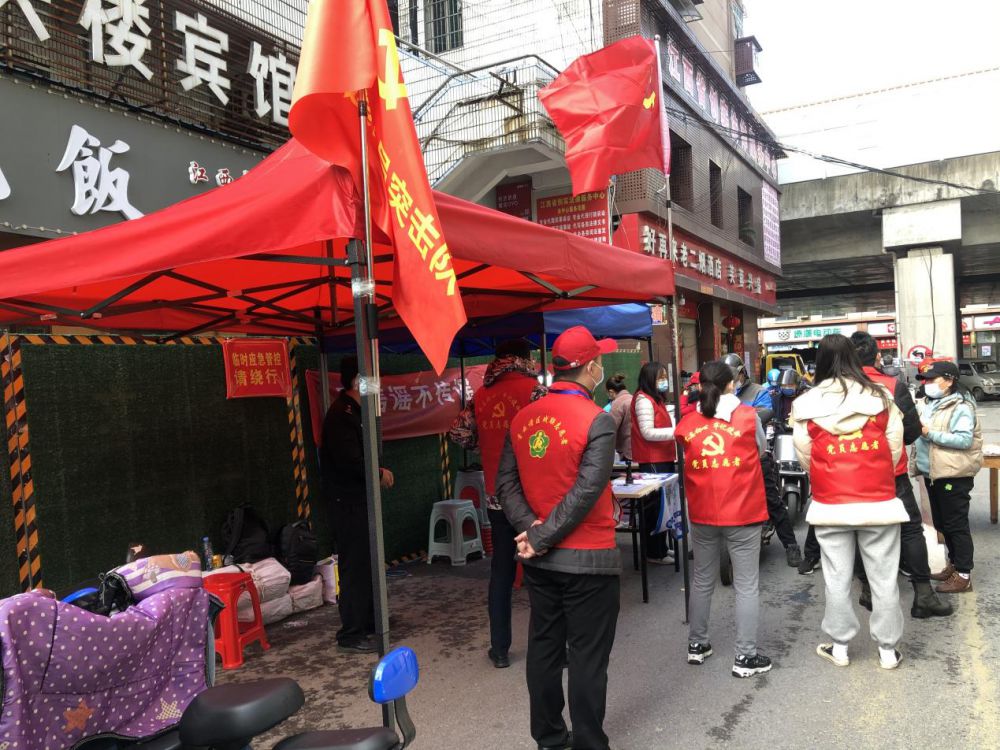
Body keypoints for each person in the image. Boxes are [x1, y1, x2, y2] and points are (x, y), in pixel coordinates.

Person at [496, 325, 620, 750]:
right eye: (598, 361)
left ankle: (549, 737)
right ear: (590, 367)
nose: (601, 367)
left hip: (540, 560)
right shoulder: (598, 420)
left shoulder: (522, 418)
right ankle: (589, 742)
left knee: (545, 647)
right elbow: (587, 490)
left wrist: (533, 533)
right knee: (587, 656)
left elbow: (505, 484)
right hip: (589, 559)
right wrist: (542, 535)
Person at [791, 334, 907, 670]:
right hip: (878, 502)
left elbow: (805, 456)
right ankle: (888, 651)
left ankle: (840, 647)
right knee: (883, 579)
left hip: (831, 504)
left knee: (836, 578)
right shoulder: (881, 397)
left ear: (821, 362)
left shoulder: (806, 403)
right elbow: (895, 449)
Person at [449, 339, 544, 669]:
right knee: (541, 574)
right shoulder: (535, 391)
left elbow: (458, 434)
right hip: (532, 499)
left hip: (497, 497)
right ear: (525, 358)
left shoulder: (482, 395)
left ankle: (500, 649)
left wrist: (484, 443)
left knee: (501, 573)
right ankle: (550, 650)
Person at [846, 332, 952, 617]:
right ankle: (923, 595)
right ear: (877, 356)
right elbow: (911, 432)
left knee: (858, 531)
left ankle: (868, 589)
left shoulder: (836, 388)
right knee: (910, 530)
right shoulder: (892, 385)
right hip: (890, 474)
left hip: (849, 476)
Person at [678, 360, 773, 678]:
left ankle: (697, 644)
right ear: (732, 384)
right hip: (743, 510)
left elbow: (684, 447)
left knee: (702, 580)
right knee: (746, 585)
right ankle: (745, 656)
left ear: (700, 385)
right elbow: (761, 450)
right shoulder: (747, 416)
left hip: (703, 511)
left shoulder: (688, 422)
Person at [320, 355, 394, 654]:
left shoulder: (359, 410)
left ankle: (371, 620)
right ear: (356, 381)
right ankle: (351, 633)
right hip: (347, 502)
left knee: (369, 561)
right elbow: (350, 461)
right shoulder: (342, 414)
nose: (378, 383)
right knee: (354, 566)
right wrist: (377, 473)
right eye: (372, 378)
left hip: (360, 499)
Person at [725, 354, 802, 567]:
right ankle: (709, 543)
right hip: (726, 458)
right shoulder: (717, 394)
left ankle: (791, 545)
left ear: (742, 373)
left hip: (756, 454)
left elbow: (761, 416)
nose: (731, 381)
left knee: (772, 499)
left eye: (732, 376)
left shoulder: (758, 391)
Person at [913, 359, 983, 594]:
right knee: (943, 524)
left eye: (932, 379)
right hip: (934, 473)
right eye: (925, 380)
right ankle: (953, 564)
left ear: (949, 381)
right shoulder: (931, 403)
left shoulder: (960, 406)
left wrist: (929, 433)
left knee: (956, 524)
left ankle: (963, 575)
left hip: (953, 474)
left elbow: (964, 440)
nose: (927, 383)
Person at [630, 361, 676, 564]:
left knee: (663, 507)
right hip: (652, 460)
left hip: (663, 457)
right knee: (655, 508)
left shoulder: (656, 399)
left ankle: (661, 548)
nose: (664, 381)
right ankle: (654, 552)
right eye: (660, 377)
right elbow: (647, 432)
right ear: (650, 379)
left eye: (665, 377)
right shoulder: (643, 400)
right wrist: (676, 432)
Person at [605, 373, 632, 462]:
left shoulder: (617, 403)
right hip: (638, 449)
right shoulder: (633, 398)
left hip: (627, 451)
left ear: (611, 392)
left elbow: (610, 428)